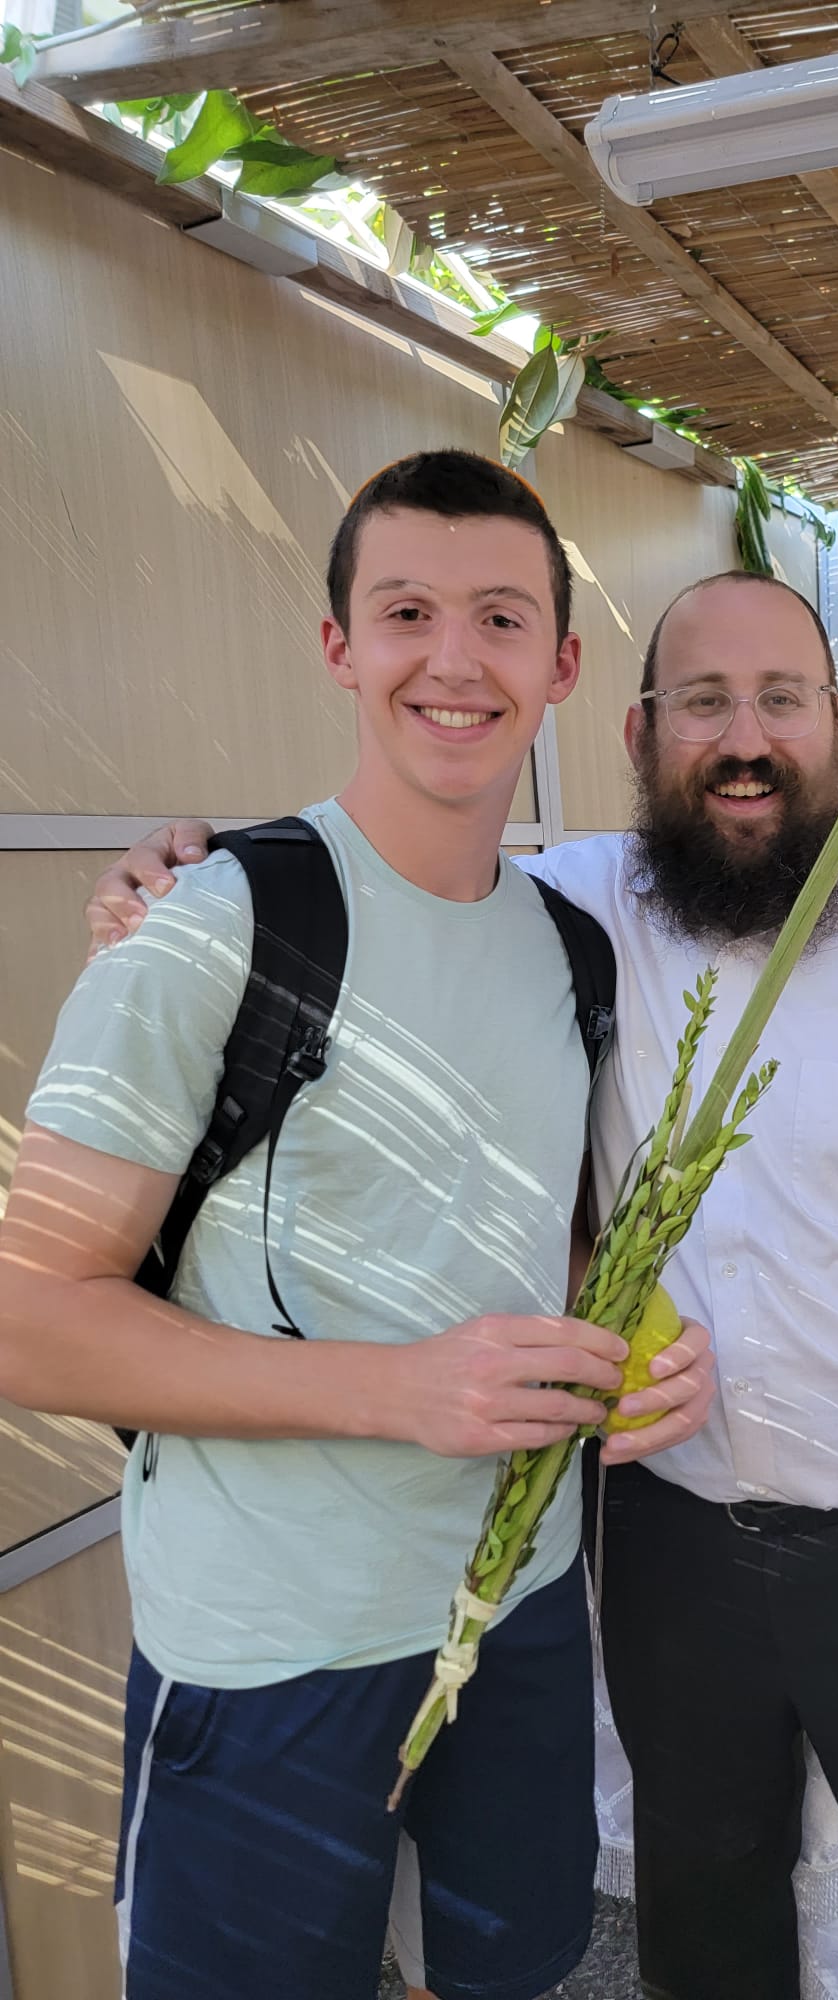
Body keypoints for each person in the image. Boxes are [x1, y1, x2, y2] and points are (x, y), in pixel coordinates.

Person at [87, 569, 838, 2000]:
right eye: (705, 702)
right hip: (673, 1546)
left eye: (782, 700)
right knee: (702, 1915)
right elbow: (387, 891)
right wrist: (197, 870)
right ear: (639, 733)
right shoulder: (559, 917)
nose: (745, 738)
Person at [0, 450, 713, 2000]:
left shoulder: (574, 950)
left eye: (501, 620)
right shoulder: (213, 925)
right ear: (339, 647)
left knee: (501, 1974)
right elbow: (30, 1316)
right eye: (405, 612)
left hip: (514, 1608)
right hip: (268, 1645)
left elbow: (540, 1241)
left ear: (562, 667)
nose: (452, 662)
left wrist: (639, 1354)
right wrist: (399, 1390)